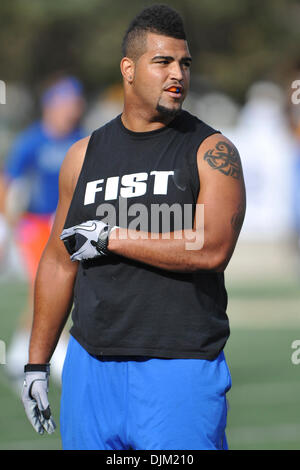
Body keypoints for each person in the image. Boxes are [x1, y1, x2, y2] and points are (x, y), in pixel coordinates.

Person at [21, 5, 246, 450]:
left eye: (184, 63)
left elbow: (211, 247)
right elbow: (57, 262)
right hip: (90, 368)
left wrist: (111, 238)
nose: (176, 73)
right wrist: (36, 364)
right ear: (129, 68)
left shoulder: (212, 151)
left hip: (179, 368)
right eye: (162, 62)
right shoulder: (82, 156)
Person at [0, 74, 85, 384]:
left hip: (70, 224)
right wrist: (8, 226)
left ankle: (22, 350)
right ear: (52, 105)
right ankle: (51, 349)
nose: (72, 109)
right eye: (67, 103)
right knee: (47, 285)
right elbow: (8, 182)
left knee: (60, 288)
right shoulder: (32, 140)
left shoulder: (83, 138)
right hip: (37, 225)